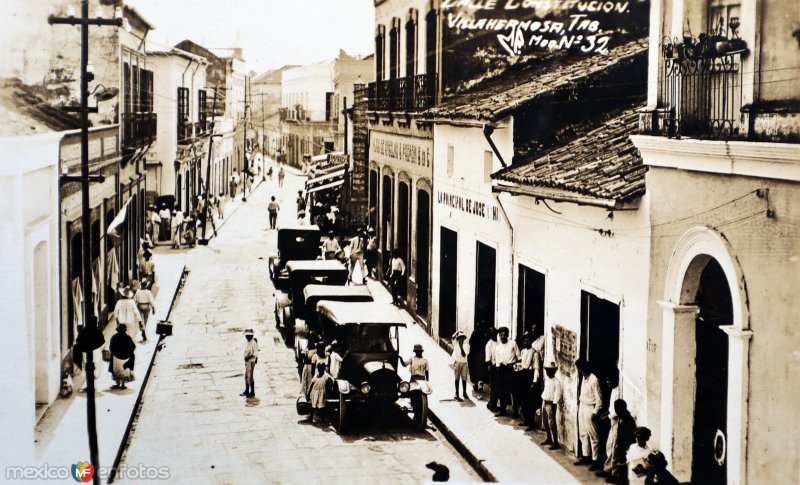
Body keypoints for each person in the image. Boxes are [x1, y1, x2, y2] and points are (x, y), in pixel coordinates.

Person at [575, 358, 604, 469]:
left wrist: (595, 412)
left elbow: (599, 399)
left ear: (583, 368)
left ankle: (596, 460)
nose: (578, 371)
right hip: (582, 406)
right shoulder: (583, 378)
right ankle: (586, 456)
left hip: (590, 408)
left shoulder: (594, 380)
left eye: (579, 369)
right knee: (583, 433)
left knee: (593, 435)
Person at [607, 399, 638, 484]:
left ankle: (620, 479)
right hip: (621, 443)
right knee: (618, 460)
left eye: (617, 409)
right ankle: (616, 476)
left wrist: (623, 447)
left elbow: (628, 435)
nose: (616, 411)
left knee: (622, 462)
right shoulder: (622, 416)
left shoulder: (628, 419)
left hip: (626, 445)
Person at [599, 373, 623, 479]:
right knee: (609, 445)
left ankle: (613, 472)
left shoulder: (618, 391)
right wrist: (606, 413)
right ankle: (608, 469)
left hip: (617, 421)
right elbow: (611, 408)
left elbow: (616, 412)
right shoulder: (613, 390)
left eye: (609, 380)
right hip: (612, 421)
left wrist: (608, 415)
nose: (607, 382)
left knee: (614, 447)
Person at [493, 327, 520, 417]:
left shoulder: (513, 343)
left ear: (508, 335)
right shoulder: (498, 347)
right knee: (502, 390)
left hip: (511, 368)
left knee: (514, 391)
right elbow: (497, 362)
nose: (503, 336)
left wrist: (516, 370)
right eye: (501, 334)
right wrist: (498, 373)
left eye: (505, 334)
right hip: (502, 369)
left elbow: (519, 358)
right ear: (499, 335)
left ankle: (515, 411)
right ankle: (503, 410)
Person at [541, 362, 562, 449]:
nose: (548, 372)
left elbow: (557, 394)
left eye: (550, 371)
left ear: (554, 372)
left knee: (552, 423)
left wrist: (553, 404)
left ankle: (555, 442)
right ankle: (549, 438)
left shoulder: (556, 382)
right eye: (547, 371)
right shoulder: (547, 380)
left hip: (550, 403)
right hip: (545, 401)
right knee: (545, 421)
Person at [514, 333, 534, 425]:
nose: (525, 342)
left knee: (529, 400)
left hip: (530, 375)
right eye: (524, 340)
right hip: (522, 375)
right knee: (522, 399)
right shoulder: (522, 351)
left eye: (527, 340)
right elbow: (521, 364)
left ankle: (531, 421)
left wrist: (534, 382)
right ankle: (526, 420)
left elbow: (536, 368)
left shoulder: (534, 353)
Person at [108, 324, 136, 389]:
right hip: (126, 357)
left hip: (116, 357)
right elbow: (133, 346)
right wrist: (128, 352)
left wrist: (115, 352)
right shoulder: (128, 337)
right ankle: (123, 384)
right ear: (125, 330)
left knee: (117, 371)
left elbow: (111, 347)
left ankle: (117, 384)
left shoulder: (114, 337)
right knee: (124, 371)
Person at [468, 320, 490, 395]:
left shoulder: (475, 333)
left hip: (476, 355)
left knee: (476, 371)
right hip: (481, 354)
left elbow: (470, 342)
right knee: (481, 371)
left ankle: (478, 385)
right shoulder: (485, 334)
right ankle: (479, 386)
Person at [451, 330, 470, 401]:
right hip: (457, 363)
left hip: (464, 364)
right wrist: (457, 331)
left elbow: (464, 354)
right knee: (457, 378)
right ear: (458, 339)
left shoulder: (466, 346)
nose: (460, 339)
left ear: (464, 339)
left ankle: (464, 392)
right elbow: (452, 337)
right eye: (459, 338)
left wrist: (461, 347)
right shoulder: (455, 344)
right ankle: (456, 393)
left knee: (464, 379)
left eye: (462, 338)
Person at [485, 328, 500, 412]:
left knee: (498, 387)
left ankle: (492, 403)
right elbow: (488, 360)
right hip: (493, 368)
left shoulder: (499, 343)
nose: (494, 335)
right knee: (494, 387)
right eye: (493, 333)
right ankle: (492, 405)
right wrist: (492, 370)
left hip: (499, 367)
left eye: (495, 333)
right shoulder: (489, 345)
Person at [241, 329, 259, 397]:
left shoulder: (253, 343)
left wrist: (247, 357)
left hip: (251, 361)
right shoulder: (248, 342)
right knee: (246, 376)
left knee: (250, 376)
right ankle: (247, 390)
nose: (246, 337)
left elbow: (255, 354)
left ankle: (252, 391)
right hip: (247, 361)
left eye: (247, 336)